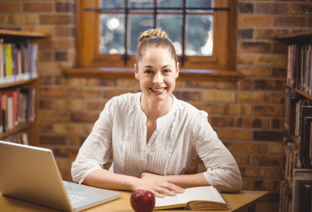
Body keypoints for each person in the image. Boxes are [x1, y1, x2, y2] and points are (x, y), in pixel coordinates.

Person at [71, 28, 242, 198]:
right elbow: (81, 168)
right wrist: (136, 183)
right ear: (136, 71)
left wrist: (164, 181)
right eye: (148, 71)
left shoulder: (192, 118)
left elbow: (231, 176)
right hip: (118, 205)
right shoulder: (117, 107)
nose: (158, 81)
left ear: (177, 70)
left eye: (166, 70)